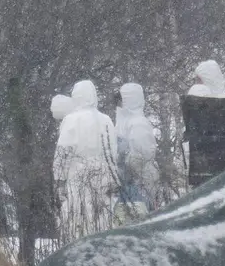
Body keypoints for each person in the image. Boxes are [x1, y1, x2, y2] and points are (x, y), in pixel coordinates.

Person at [54, 80, 117, 240]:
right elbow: (112, 153)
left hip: (77, 174)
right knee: (102, 217)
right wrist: (115, 178)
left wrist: (59, 179)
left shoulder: (72, 120)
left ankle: (76, 248)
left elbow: (63, 152)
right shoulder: (107, 120)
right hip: (103, 174)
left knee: (76, 217)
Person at [115, 82, 160, 216]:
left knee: (139, 215)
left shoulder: (138, 123)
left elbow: (142, 154)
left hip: (138, 180)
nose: (118, 104)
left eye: (121, 100)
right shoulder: (124, 122)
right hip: (127, 181)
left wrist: (124, 161)